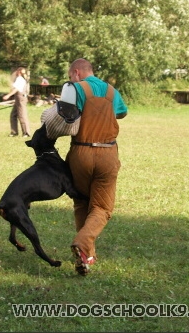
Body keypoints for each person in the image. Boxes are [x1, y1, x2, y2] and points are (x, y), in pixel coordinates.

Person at [61, 58, 128, 276]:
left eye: (71, 75)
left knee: (82, 202)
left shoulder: (74, 88)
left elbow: (65, 119)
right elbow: (122, 113)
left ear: (76, 72)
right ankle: (83, 243)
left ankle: (85, 256)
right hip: (107, 153)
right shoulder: (111, 91)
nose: (71, 79)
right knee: (102, 208)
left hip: (80, 153)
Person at [3, 67, 31, 137]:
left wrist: (8, 95)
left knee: (22, 115)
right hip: (19, 99)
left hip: (20, 98)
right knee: (13, 115)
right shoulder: (21, 79)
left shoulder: (20, 79)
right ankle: (14, 132)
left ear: (18, 72)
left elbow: (16, 89)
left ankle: (26, 133)